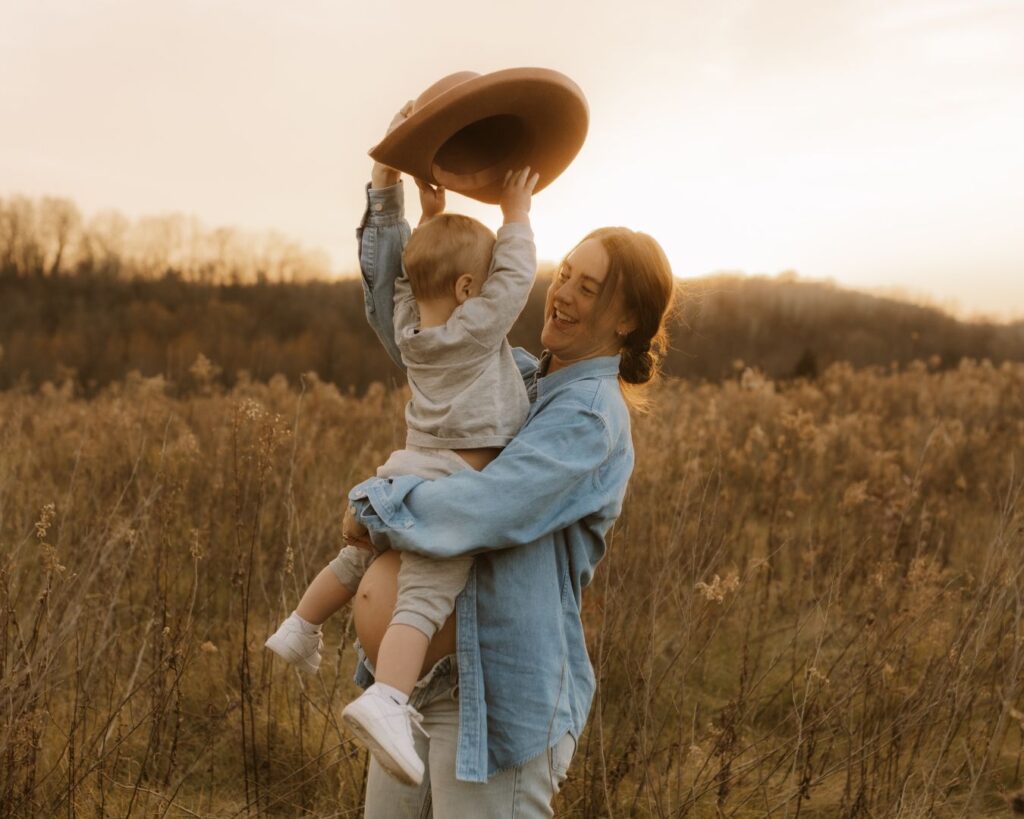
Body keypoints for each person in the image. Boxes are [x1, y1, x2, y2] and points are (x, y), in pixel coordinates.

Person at [340, 106, 676, 817]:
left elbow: (487, 507)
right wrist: (388, 189)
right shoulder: (518, 379)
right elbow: (409, 326)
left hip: (495, 702)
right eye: (567, 274)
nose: (563, 292)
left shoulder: (588, 418)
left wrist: (378, 506)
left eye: (591, 286)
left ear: (624, 321)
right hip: (427, 687)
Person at [266, 117, 541, 784]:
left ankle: (300, 625)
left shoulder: (410, 328)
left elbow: (398, 280)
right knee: (425, 590)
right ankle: (388, 697)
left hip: (405, 469)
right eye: (481, 281)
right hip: (453, 479)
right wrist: (515, 214)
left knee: (359, 551)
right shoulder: (476, 329)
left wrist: (429, 215)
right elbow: (516, 279)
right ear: (470, 291)